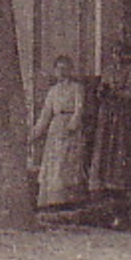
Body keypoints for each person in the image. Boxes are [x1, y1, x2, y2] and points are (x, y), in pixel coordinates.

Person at [89, 40, 131, 226]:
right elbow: (101, 90)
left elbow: (130, 94)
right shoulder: (108, 70)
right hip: (108, 117)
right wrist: (102, 92)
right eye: (114, 53)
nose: (118, 57)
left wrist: (114, 93)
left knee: (121, 152)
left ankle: (124, 200)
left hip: (123, 118)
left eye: (121, 53)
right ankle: (106, 204)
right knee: (105, 152)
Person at [30, 55, 88, 208]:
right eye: (59, 69)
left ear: (71, 70)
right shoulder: (53, 91)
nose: (62, 72)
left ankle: (70, 200)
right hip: (56, 128)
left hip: (70, 128)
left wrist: (73, 125)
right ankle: (54, 201)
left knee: (68, 162)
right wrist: (35, 132)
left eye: (65, 69)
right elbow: (46, 114)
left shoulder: (77, 88)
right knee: (55, 163)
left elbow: (80, 108)